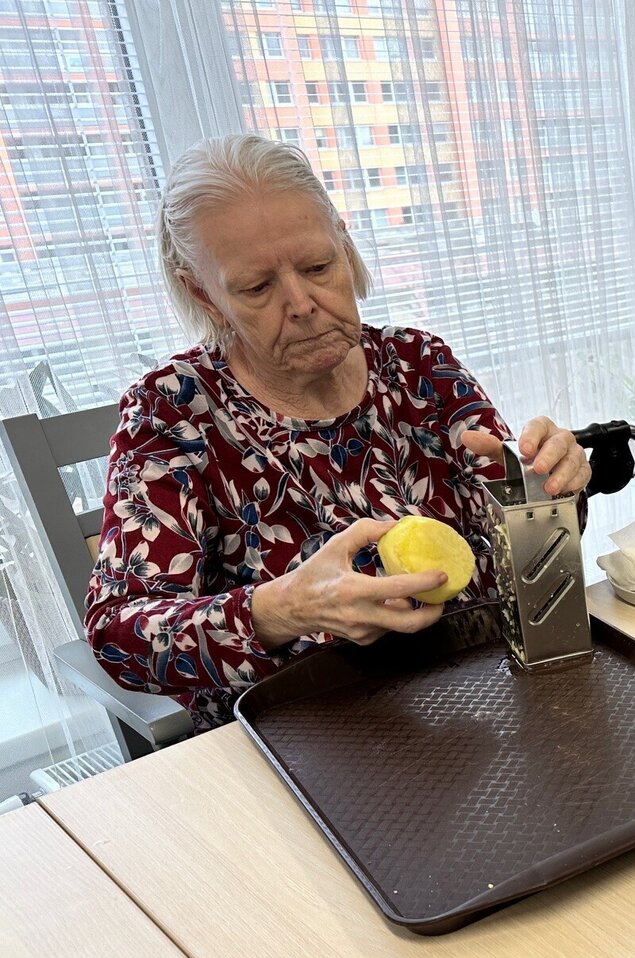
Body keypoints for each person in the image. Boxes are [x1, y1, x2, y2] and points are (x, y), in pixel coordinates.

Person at [85, 133, 591, 732]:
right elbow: (119, 634)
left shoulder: (418, 364)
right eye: (257, 287)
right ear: (204, 293)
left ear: (345, 245)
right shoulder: (171, 414)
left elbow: (523, 549)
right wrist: (283, 609)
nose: (301, 303)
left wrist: (548, 490)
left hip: (484, 695)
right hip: (306, 732)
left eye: (318, 266)